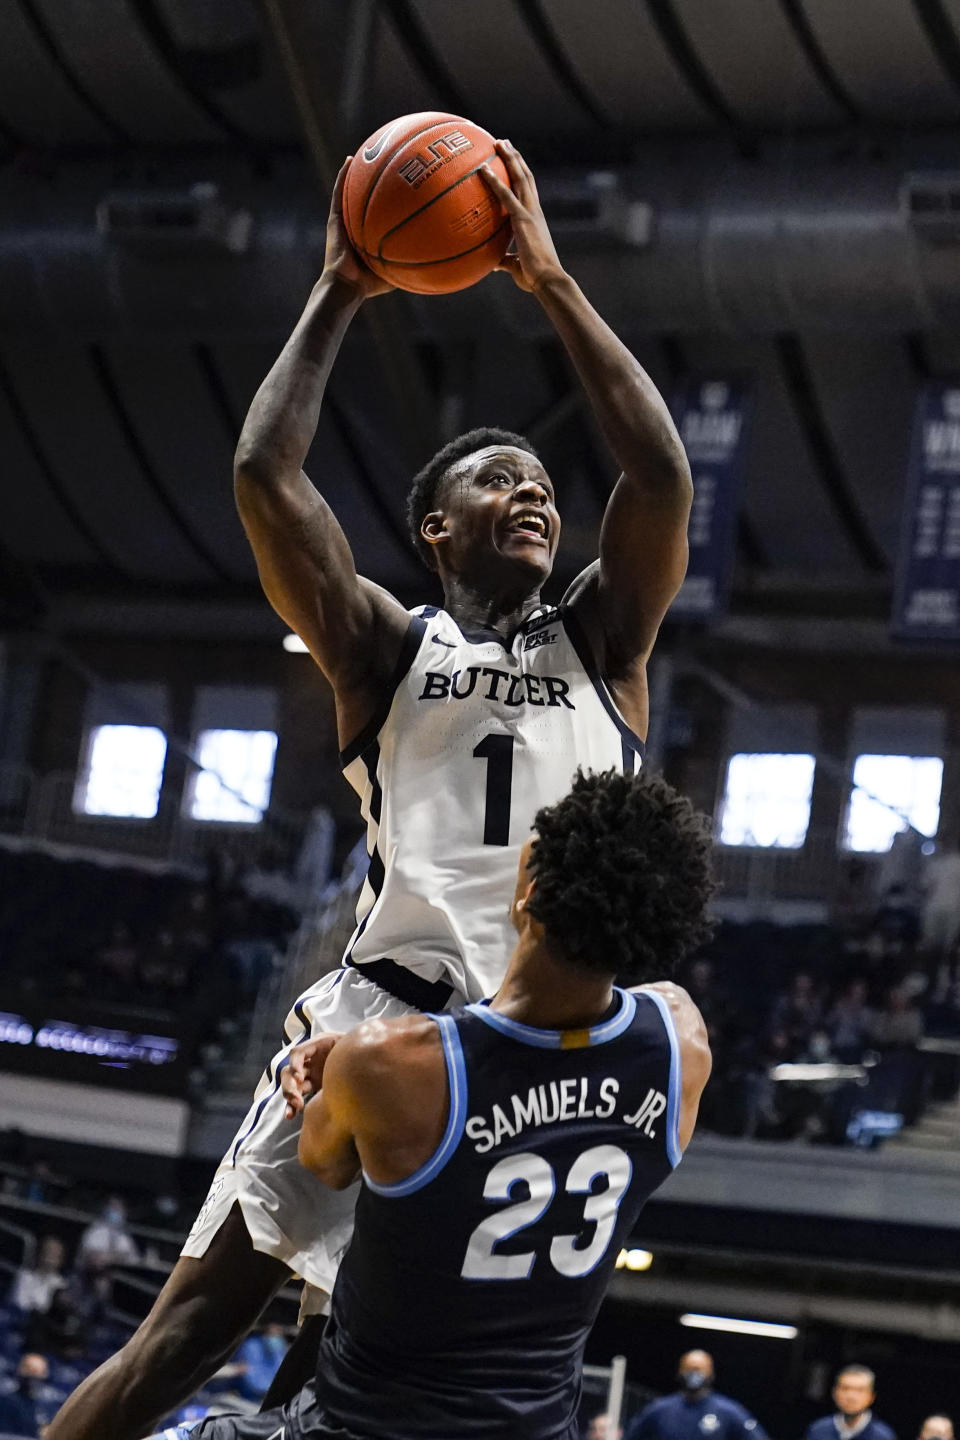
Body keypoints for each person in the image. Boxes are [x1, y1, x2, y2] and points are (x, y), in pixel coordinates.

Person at [48, 140, 693, 1440]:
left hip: (534, 1057)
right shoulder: (388, 648)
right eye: (494, 479)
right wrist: (343, 286)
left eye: (544, 485)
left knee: (437, 1388)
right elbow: (264, 479)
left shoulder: (607, 645)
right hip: (381, 1034)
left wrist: (554, 284)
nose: (530, 493)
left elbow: (662, 480)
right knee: (186, 1334)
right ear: (433, 532)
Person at [143, 766, 713, 1440]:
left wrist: (351, 1058)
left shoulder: (395, 1065)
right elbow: (555, 1072)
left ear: (527, 885)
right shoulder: (681, 1041)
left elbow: (322, 1159)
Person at [625, 1349, 768, 1440]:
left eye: (699, 1370)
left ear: (710, 1374)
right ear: (680, 1372)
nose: (694, 1375)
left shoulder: (728, 1411)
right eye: (689, 1369)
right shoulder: (660, 1409)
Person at [805, 1366, 897, 1440]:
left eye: (860, 1390)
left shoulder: (883, 1436)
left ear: (871, 1397)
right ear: (835, 1393)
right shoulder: (818, 1430)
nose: (851, 1396)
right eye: (845, 1388)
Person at [0, 1351, 61, 1436]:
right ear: (20, 1371)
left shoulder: (49, 1405)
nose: (34, 1376)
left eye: (38, 1372)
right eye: (29, 1370)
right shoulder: (6, 1402)